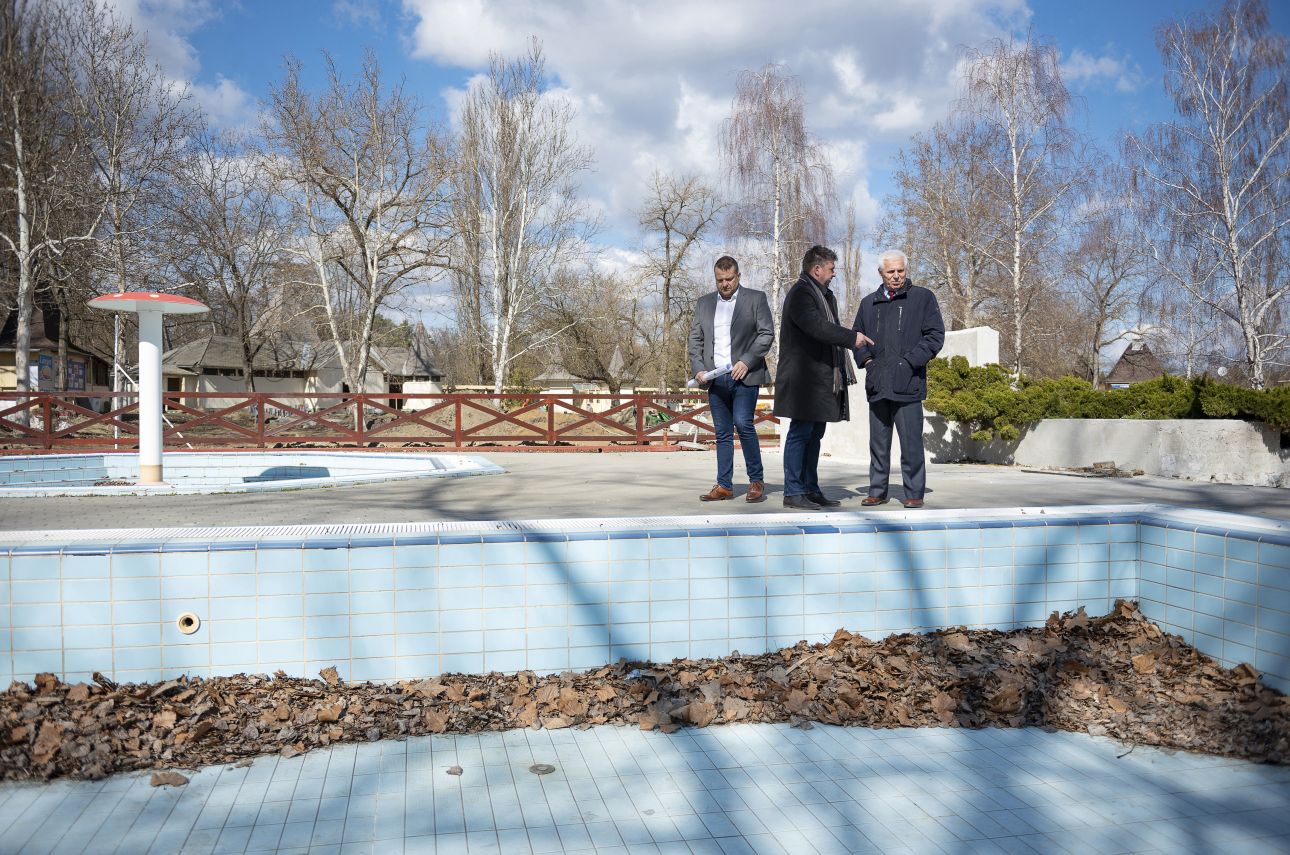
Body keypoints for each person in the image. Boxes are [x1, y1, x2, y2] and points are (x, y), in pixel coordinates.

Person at [772, 245, 874, 510]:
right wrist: (852, 338)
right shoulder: (801, 294)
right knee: (800, 433)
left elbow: (826, 327)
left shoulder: (824, 295)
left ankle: (809, 488)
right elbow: (816, 327)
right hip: (802, 380)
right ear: (816, 270)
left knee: (815, 433)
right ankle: (793, 491)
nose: (834, 274)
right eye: (831, 269)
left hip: (819, 378)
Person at [852, 250, 945, 509]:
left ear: (906, 270)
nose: (896, 276)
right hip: (878, 383)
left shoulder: (923, 298)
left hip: (908, 384)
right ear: (881, 273)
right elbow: (856, 338)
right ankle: (877, 491)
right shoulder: (868, 303)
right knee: (878, 446)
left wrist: (909, 363)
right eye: (890, 271)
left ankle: (914, 492)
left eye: (900, 271)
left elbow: (935, 336)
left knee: (911, 444)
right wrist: (868, 363)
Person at [688, 255, 775, 502]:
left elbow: (766, 334)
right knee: (722, 433)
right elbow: (695, 339)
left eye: (729, 279)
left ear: (738, 276)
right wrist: (698, 369)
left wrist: (746, 361)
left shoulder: (756, 299)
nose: (725, 284)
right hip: (715, 379)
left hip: (745, 376)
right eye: (720, 280)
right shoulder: (704, 303)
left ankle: (756, 481)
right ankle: (724, 485)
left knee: (743, 424)